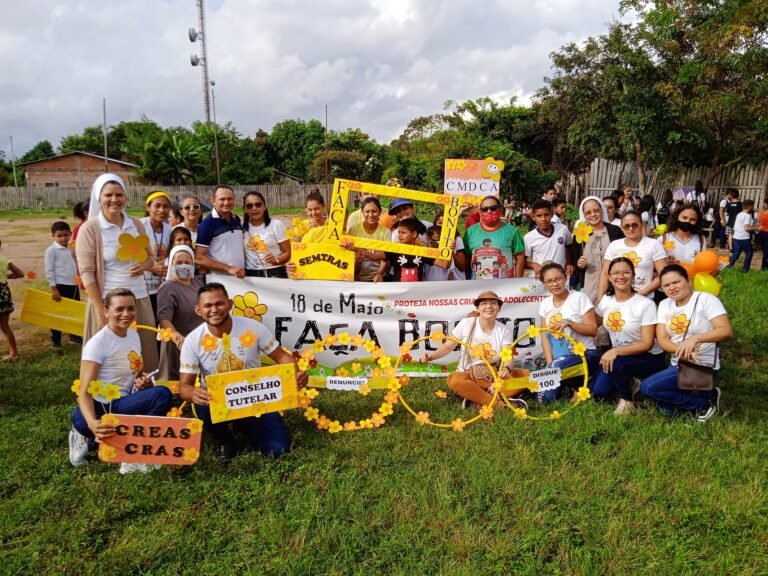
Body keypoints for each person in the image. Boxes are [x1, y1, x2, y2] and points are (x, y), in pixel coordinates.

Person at [178, 283, 308, 463]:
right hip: (217, 402)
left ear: (230, 304)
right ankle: (224, 440)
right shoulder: (193, 341)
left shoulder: (253, 328)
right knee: (204, 401)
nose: (214, 310)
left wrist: (296, 374)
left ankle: (244, 424)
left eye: (220, 303)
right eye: (208, 306)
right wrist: (193, 393)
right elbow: (184, 387)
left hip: (255, 398)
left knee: (277, 450)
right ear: (198, 310)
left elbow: (282, 357)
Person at [68, 288, 173, 472]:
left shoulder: (133, 335)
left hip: (122, 404)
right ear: (106, 311)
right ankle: (85, 435)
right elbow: (83, 391)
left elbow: (137, 370)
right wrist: (92, 423)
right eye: (119, 309)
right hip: (101, 408)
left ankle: (134, 450)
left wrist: (143, 381)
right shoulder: (98, 344)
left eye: (131, 308)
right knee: (161, 394)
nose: (126, 314)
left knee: (161, 394)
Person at [76, 174, 158, 371]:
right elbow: (87, 273)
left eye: (119, 195)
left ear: (125, 197)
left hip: (139, 299)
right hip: (109, 302)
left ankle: (145, 388)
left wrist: (144, 265)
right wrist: (100, 310)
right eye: (108, 195)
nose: (114, 199)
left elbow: (150, 257)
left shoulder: (136, 225)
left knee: (143, 352)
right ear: (99, 198)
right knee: (113, 356)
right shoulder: (90, 229)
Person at [640, 264, 732, 421]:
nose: (672, 288)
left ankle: (703, 405)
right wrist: (683, 350)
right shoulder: (665, 305)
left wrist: (695, 339)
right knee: (667, 410)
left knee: (648, 388)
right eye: (666, 285)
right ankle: (706, 395)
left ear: (688, 281)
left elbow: (725, 331)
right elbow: (662, 339)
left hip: (701, 366)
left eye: (676, 282)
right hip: (678, 363)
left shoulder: (706, 299)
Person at [419, 290, 527, 409]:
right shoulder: (466, 324)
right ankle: (498, 404)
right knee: (454, 380)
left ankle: (476, 398)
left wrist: (506, 368)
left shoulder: (503, 330)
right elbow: (448, 346)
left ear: (499, 308)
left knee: (527, 376)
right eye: (484, 303)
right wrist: (431, 356)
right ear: (477, 308)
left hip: (494, 377)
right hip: (468, 375)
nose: (489, 306)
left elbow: (508, 357)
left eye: (493, 303)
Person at [593, 257, 665, 415]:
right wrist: (568, 322)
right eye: (616, 273)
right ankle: (631, 383)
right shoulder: (606, 301)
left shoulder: (645, 304)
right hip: (620, 355)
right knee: (599, 393)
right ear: (609, 277)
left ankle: (627, 401)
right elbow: (593, 326)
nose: (621, 276)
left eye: (626, 272)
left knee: (616, 364)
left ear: (633, 276)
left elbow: (647, 343)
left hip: (648, 357)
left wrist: (615, 351)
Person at [538, 263, 600, 402]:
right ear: (544, 284)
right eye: (549, 281)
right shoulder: (545, 304)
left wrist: (570, 323)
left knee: (556, 372)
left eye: (558, 279)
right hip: (560, 359)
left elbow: (593, 330)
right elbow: (545, 336)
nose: (554, 284)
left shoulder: (579, 298)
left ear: (566, 278)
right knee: (548, 398)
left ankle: (580, 386)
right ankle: (572, 387)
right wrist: (550, 364)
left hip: (586, 354)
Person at [156, 245, 204, 384]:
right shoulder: (168, 287)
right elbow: (164, 319)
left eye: (187, 262)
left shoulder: (198, 285)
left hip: (199, 341)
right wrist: (177, 337)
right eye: (179, 262)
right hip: (177, 343)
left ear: (193, 264)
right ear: (172, 264)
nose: (183, 265)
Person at [597, 210, 668, 302]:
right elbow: (605, 273)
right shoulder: (614, 245)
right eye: (626, 226)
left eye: (634, 225)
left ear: (642, 225)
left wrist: (642, 293)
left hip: (644, 299)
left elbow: (664, 274)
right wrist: (600, 298)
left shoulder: (653, 244)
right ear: (621, 227)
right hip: (616, 299)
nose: (630, 228)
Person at [573, 196, 624, 303]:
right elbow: (574, 261)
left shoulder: (615, 231)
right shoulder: (579, 234)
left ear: (602, 210)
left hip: (614, 282)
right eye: (588, 212)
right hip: (588, 284)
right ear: (584, 215)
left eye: (596, 210)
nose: (593, 214)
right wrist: (579, 264)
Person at [464, 195, 526, 279]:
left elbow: (520, 257)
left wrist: (517, 281)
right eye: (485, 209)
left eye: (493, 208)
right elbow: (466, 259)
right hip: (477, 284)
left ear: (500, 210)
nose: (489, 211)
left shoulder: (511, 231)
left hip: (504, 284)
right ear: (480, 212)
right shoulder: (470, 232)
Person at [195, 185, 245, 278]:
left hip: (240, 277)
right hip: (219, 279)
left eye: (230, 199)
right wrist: (228, 268)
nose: (226, 202)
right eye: (222, 199)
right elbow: (199, 257)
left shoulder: (236, 219)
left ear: (234, 200)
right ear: (213, 200)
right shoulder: (207, 223)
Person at [45, 221, 80, 350]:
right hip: (60, 286)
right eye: (59, 236)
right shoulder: (51, 251)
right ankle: (55, 340)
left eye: (65, 235)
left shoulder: (73, 247)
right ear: (53, 236)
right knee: (58, 314)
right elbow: (49, 271)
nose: (63, 238)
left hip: (74, 285)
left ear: (70, 233)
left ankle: (74, 336)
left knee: (74, 311)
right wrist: (54, 289)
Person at [381, 218, 448, 282]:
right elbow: (376, 256)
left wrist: (448, 247)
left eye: (403, 233)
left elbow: (444, 264)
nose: (399, 235)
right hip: (398, 288)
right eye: (399, 232)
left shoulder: (422, 251)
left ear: (414, 234)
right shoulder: (395, 249)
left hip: (417, 289)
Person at [242, 191, 290, 278]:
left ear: (264, 206)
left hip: (275, 273)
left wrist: (276, 260)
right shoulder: (241, 228)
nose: (254, 208)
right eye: (249, 206)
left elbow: (287, 253)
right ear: (245, 209)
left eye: (258, 204)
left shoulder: (276, 224)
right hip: (250, 275)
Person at [140, 191, 173, 316]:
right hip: (142, 287)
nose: (161, 210)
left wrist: (166, 263)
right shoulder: (139, 227)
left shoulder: (170, 230)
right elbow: (129, 256)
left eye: (166, 206)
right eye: (157, 206)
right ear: (148, 207)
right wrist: (150, 266)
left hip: (161, 286)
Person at [523, 199, 573, 278]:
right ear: (533, 217)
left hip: (560, 277)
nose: (543, 219)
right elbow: (522, 261)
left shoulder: (563, 229)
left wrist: (568, 262)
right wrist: (533, 265)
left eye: (546, 215)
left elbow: (569, 246)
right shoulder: (529, 238)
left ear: (552, 214)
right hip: (540, 278)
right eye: (539, 216)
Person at [346, 196, 390, 282]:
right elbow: (349, 255)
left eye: (374, 211)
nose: (370, 215)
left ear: (380, 212)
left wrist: (379, 273)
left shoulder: (386, 231)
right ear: (362, 212)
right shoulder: (353, 230)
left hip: (378, 278)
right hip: (357, 276)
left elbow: (385, 257)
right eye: (367, 211)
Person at [0, 238, 23, 361]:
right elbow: (20, 274)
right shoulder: (4, 260)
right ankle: (14, 354)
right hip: (3, 293)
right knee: (5, 326)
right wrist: (5, 276)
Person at [728, 199, 759, 270]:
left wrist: (755, 226)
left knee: (736, 253)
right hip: (744, 238)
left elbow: (742, 226)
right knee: (749, 253)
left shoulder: (739, 214)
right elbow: (746, 228)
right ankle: (745, 269)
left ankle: (728, 266)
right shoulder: (747, 216)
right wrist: (757, 228)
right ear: (750, 207)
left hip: (736, 237)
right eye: (752, 206)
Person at [723, 188, 742, 252]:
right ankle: (738, 248)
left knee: (730, 235)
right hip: (738, 223)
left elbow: (726, 213)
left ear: (731, 195)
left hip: (730, 222)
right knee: (737, 236)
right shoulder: (740, 204)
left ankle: (731, 248)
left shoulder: (729, 204)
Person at [758, 200, 768, 270]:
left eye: (765, 204)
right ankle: (765, 266)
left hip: (762, 232)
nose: (764, 205)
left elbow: (759, 221)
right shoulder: (762, 212)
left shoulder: (761, 212)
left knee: (764, 250)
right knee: (766, 250)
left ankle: (764, 266)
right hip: (764, 232)